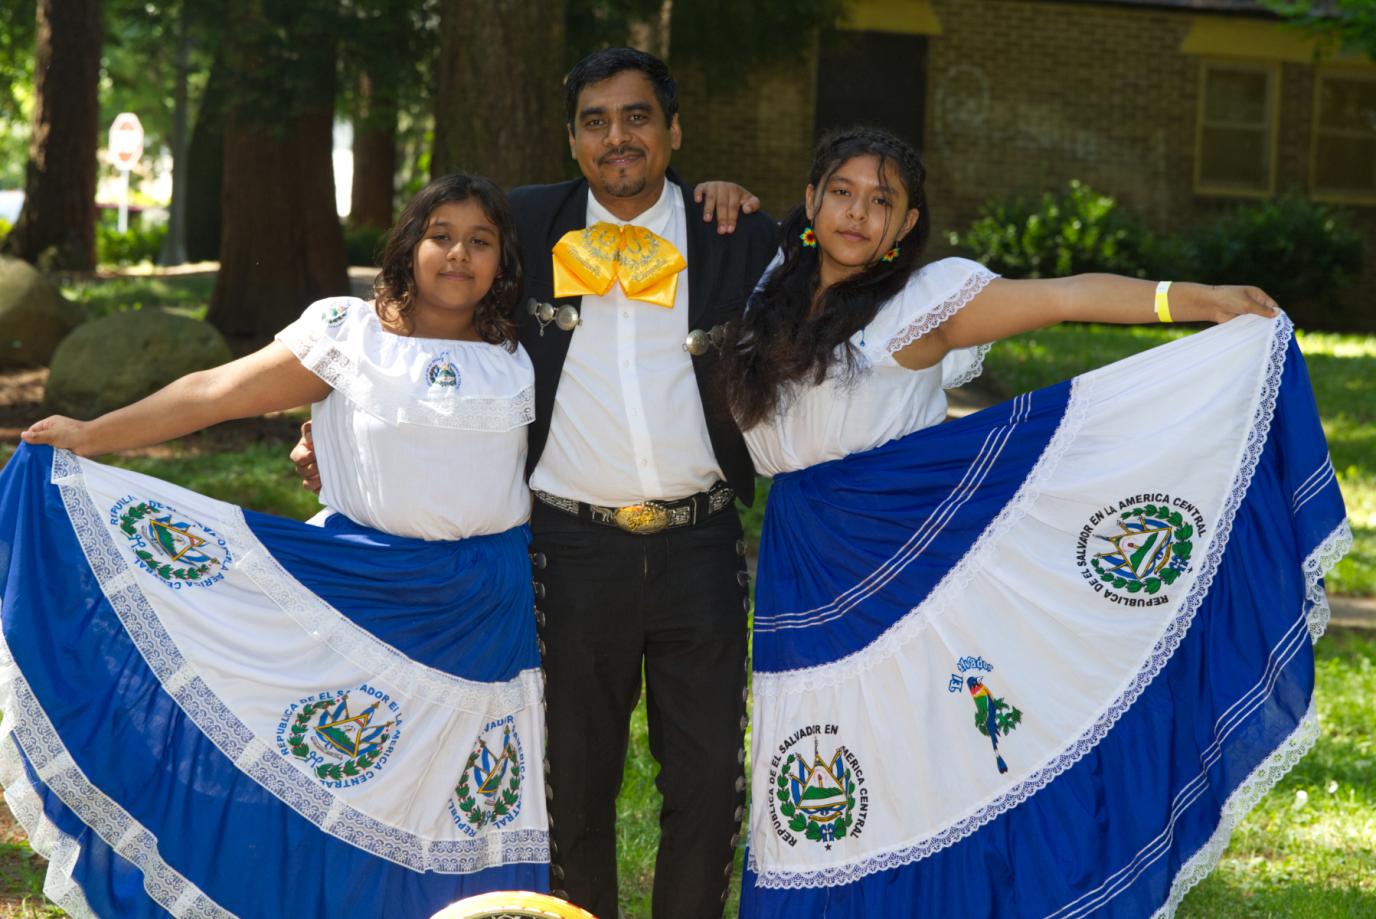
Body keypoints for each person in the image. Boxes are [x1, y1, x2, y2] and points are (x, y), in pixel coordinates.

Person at [720, 127, 1350, 917]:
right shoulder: (770, 284)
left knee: (926, 762)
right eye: (842, 192)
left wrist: (1196, 300)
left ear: (908, 224)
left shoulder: (923, 302)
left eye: (884, 201)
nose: (859, 213)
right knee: (826, 765)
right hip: (805, 564)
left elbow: (1063, 296)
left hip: (909, 565)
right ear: (810, 200)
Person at [294, 47, 779, 917]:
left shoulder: (733, 233)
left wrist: (736, 192)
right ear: (571, 140)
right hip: (566, 546)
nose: (616, 138)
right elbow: (422, 305)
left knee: (709, 779)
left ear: (674, 131)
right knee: (567, 783)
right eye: (595, 121)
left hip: (702, 542)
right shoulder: (518, 224)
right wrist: (340, 416)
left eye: (637, 117)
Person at [0, 174, 551, 917]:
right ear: (410, 244)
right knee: (322, 788)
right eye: (441, 234)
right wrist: (92, 436)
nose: (459, 254)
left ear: (502, 261)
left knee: (444, 809)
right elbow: (215, 391)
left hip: (482, 617)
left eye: (480, 240)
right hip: (359, 592)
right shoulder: (349, 335)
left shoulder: (523, 352)